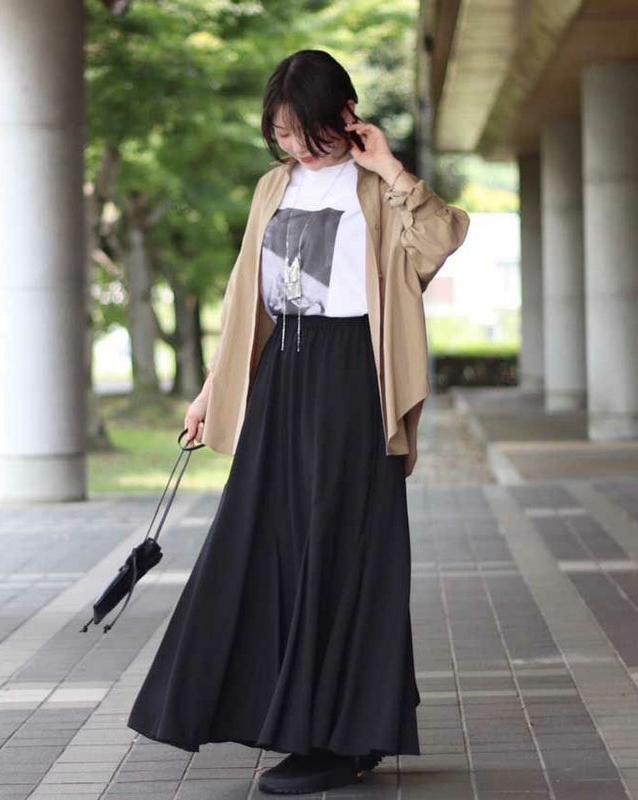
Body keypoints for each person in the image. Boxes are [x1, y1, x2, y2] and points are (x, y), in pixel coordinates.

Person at [127, 49, 470, 795]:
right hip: (284, 374)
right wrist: (213, 389)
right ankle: (291, 719)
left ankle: (338, 740)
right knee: (262, 542)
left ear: (345, 115)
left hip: (353, 379)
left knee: (342, 549)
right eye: (282, 134)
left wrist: (391, 168)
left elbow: (441, 242)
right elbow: (245, 297)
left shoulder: (378, 187)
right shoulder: (273, 188)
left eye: (308, 132)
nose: (296, 147)